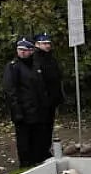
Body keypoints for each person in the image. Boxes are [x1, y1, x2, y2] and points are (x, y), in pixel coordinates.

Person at [3, 38, 53, 167]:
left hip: (37, 110)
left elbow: (41, 87)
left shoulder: (35, 65)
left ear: (31, 51)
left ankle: (38, 159)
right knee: (24, 140)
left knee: (38, 138)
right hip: (23, 110)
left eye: (25, 50)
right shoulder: (13, 67)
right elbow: (10, 91)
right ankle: (26, 163)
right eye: (20, 50)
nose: (22, 53)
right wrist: (17, 111)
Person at [32, 33, 64, 129]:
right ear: (37, 44)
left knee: (49, 126)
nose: (47, 46)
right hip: (40, 100)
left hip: (52, 99)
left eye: (48, 43)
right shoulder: (35, 59)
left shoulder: (51, 58)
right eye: (44, 43)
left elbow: (57, 77)